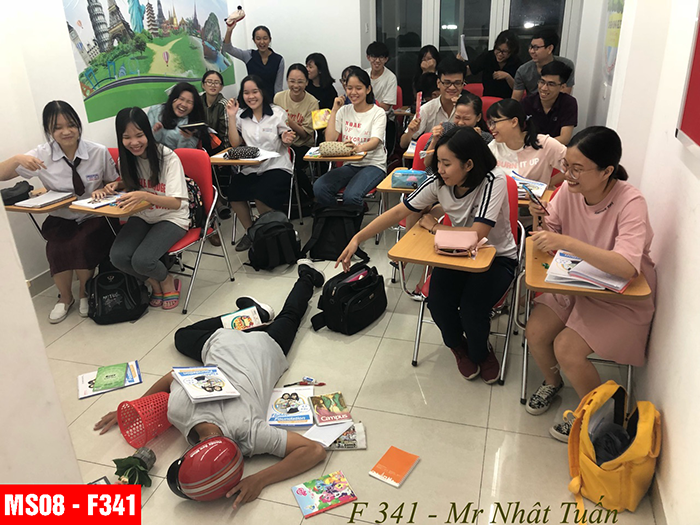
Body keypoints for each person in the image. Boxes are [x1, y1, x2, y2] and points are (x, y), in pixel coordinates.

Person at [94, 260, 328, 510]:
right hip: (227, 343)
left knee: (290, 315)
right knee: (182, 336)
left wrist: (260, 479)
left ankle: (305, 278)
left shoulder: (249, 434)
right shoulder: (179, 411)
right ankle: (250, 316)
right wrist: (134, 407)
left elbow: (314, 451)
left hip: (261, 347)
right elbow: (171, 377)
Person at [338, 127, 517, 383]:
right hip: (454, 254)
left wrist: (435, 227)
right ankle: (457, 346)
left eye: (447, 163)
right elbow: (399, 212)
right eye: (439, 162)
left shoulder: (493, 180)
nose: (440, 169)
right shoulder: (438, 182)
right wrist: (358, 238)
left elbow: (477, 235)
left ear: (468, 164)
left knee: (472, 308)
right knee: (437, 301)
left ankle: (481, 352)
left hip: (496, 257)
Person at [524, 127, 656, 443]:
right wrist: (539, 219)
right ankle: (552, 382)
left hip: (619, 295)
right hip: (575, 282)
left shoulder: (630, 201)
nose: (567, 175)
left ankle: (596, 415)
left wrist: (568, 242)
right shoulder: (569, 191)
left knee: (567, 348)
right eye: (566, 165)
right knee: (536, 333)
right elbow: (549, 233)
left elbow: (626, 267)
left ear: (606, 171)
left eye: (577, 169)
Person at [0, 101, 118, 323]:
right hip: (61, 216)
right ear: (49, 130)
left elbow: (116, 182)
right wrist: (17, 159)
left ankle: (84, 292)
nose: (66, 132)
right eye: (57, 127)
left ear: (78, 125)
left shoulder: (97, 151)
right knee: (55, 248)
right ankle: (65, 297)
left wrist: (105, 188)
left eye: (71, 125)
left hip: (93, 215)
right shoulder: (41, 155)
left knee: (81, 243)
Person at [96, 107, 189, 310]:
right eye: (127, 137)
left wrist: (145, 196)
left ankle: (167, 280)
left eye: (139, 135)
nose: (134, 142)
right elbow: (136, 183)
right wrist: (117, 185)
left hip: (172, 217)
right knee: (118, 257)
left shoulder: (168, 157)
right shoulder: (126, 159)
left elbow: (176, 202)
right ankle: (154, 282)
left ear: (148, 132)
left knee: (143, 260)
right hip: (143, 215)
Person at [226, 75, 295, 252]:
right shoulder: (241, 116)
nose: (251, 96)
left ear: (262, 92)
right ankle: (253, 233)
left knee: (261, 194)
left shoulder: (277, 113)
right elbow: (235, 143)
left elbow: (285, 136)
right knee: (234, 192)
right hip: (252, 168)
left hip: (277, 166)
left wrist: (286, 138)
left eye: (255, 91)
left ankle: (270, 232)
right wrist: (231, 117)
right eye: (246, 93)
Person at [312, 66, 387, 207]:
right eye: (349, 88)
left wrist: (358, 148)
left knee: (351, 196)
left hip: (373, 165)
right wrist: (334, 110)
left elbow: (375, 141)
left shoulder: (378, 113)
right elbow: (330, 139)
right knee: (319, 187)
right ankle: (338, 218)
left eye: (358, 88)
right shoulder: (343, 111)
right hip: (351, 164)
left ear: (368, 89)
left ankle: (352, 221)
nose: (353, 93)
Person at [486, 98, 566, 187]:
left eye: (494, 122)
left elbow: (573, 165)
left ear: (514, 122)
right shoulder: (493, 147)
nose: (491, 128)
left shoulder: (545, 143)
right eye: (489, 123)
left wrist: (547, 185)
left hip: (535, 196)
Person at [274, 64, 319, 203]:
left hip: (303, 145)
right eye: (292, 81)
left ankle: (308, 197)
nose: (296, 85)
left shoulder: (313, 102)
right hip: (281, 143)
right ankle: (297, 201)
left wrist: (288, 120)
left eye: (300, 82)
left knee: (289, 165)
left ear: (306, 82)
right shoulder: (278, 98)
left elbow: (305, 135)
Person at [399, 58, 467, 150]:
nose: (452, 87)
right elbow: (403, 144)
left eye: (457, 83)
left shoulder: (469, 107)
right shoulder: (426, 109)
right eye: (447, 83)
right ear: (438, 83)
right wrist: (410, 132)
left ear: (463, 84)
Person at [520, 61, 578, 145]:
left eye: (551, 84)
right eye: (542, 82)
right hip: (530, 147)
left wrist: (538, 144)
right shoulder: (527, 102)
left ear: (562, 87)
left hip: (555, 148)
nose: (544, 88)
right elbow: (518, 132)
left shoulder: (568, 103)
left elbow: (564, 138)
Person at [223, 23, 285, 101]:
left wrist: (278, 104)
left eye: (265, 38)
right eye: (258, 38)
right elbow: (228, 48)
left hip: (270, 102)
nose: (262, 42)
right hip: (251, 100)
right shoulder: (248, 55)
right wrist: (229, 30)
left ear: (270, 39)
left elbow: (278, 88)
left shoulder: (279, 60)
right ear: (254, 40)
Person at [512, 29, 576, 101]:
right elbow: (515, 100)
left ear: (549, 48)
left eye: (536, 48)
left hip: (558, 105)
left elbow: (565, 96)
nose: (531, 51)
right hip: (532, 106)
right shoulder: (523, 70)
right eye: (531, 47)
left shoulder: (565, 66)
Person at [148, 82, 211, 152]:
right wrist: (156, 132)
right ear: (173, 99)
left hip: (175, 157)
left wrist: (186, 139)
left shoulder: (193, 122)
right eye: (181, 99)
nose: (184, 104)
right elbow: (146, 141)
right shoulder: (155, 111)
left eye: (189, 102)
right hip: (153, 155)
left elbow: (187, 154)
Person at [464, 30, 522, 99]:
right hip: (488, 98)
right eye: (498, 49)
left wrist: (508, 77)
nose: (500, 54)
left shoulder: (517, 63)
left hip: (507, 101)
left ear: (512, 51)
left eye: (504, 52)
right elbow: (470, 69)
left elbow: (519, 89)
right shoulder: (487, 56)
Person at [365, 41, 398, 114]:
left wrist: (364, 106)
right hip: (363, 114)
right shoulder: (364, 74)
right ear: (368, 57)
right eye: (374, 57)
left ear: (386, 59)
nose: (377, 61)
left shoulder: (391, 78)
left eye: (381, 57)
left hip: (382, 115)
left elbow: (386, 107)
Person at [200, 70, 229, 150]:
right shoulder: (198, 102)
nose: (213, 85)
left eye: (216, 83)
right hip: (201, 147)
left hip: (220, 148)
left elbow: (225, 135)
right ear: (203, 85)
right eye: (209, 82)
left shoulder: (224, 105)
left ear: (221, 87)